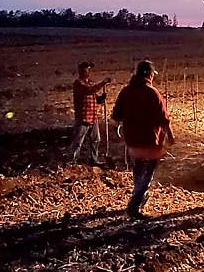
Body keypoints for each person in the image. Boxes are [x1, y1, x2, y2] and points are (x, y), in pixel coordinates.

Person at [111, 60, 175, 219]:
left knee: (138, 171)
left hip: (132, 139)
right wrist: (171, 136)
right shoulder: (153, 93)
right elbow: (164, 119)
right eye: (153, 74)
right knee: (148, 174)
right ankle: (134, 205)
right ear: (149, 74)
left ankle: (139, 200)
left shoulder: (125, 91)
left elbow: (116, 116)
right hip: (150, 140)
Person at [69, 61, 111, 166]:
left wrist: (101, 98)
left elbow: (95, 98)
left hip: (92, 117)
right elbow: (89, 91)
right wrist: (103, 83)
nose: (88, 71)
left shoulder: (90, 83)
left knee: (96, 140)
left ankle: (94, 159)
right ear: (80, 71)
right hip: (83, 117)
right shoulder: (78, 83)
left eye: (89, 69)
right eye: (86, 69)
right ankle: (72, 161)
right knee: (78, 141)